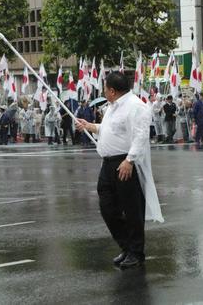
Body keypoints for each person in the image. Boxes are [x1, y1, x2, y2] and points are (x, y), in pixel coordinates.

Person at [75, 72, 163, 269]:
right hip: (107, 165)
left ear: (112, 91)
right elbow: (109, 130)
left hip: (125, 164)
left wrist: (129, 160)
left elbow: (141, 136)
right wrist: (90, 126)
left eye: (105, 88)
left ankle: (136, 252)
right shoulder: (112, 107)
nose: (104, 91)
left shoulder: (135, 106)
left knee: (132, 210)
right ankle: (126, 246)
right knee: (108, 207)